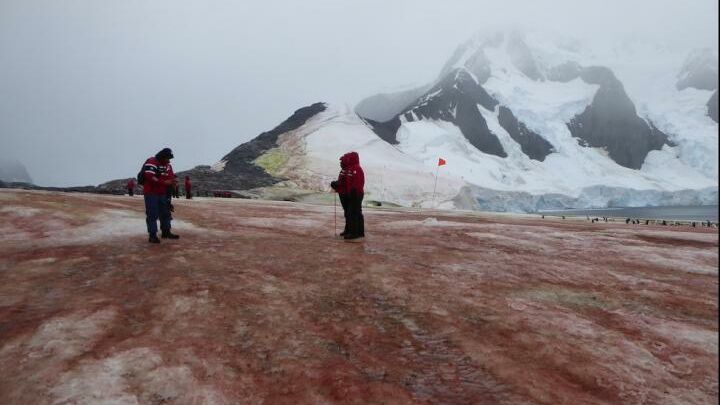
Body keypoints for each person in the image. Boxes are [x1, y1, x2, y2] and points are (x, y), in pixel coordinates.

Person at [142, 148, 179, 243]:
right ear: (162, 157)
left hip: (163, 193)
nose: (169, 160)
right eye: (168, 158)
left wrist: (173, 183)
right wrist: (164, 182)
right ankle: (152, 235)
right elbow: (149, 176)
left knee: (166, 212)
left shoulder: (168, 166)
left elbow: (171, 177)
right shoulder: (152, 161)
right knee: (152, 214)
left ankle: (166, 232)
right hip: (151, 193)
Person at [330, 151, 364, 241]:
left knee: (353, 213)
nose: (341, 162)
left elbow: (357, 183)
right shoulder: (346, 169)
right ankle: (350, 230)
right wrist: (336, 184)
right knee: (349, 213)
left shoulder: (356, 169)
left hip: (354, 194)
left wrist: (353, 192)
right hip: (346, 194)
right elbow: (343, 182)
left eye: (343, 161)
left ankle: (355, 233)